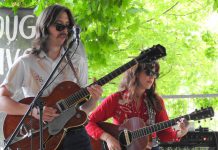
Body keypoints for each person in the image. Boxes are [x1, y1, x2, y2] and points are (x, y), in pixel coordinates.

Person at [0, 4, 103, 150]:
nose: (65, 31)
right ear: (45, 27)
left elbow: (84, 110)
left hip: (74, 137)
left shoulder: (76, 62)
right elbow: (1, 100)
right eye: (59, 26)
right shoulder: (26, 62)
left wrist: (94, 98)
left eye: (68, 26)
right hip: (39, 135)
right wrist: (32, 111)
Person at [86, 61, 189, 150]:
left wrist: (181, 132)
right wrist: (108, 138)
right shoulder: (116, 99)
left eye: (155, 74)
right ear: (135, 72)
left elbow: (164, 134)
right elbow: (89, 122)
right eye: (149, 72)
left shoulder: (156, 101)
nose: (152, 77)